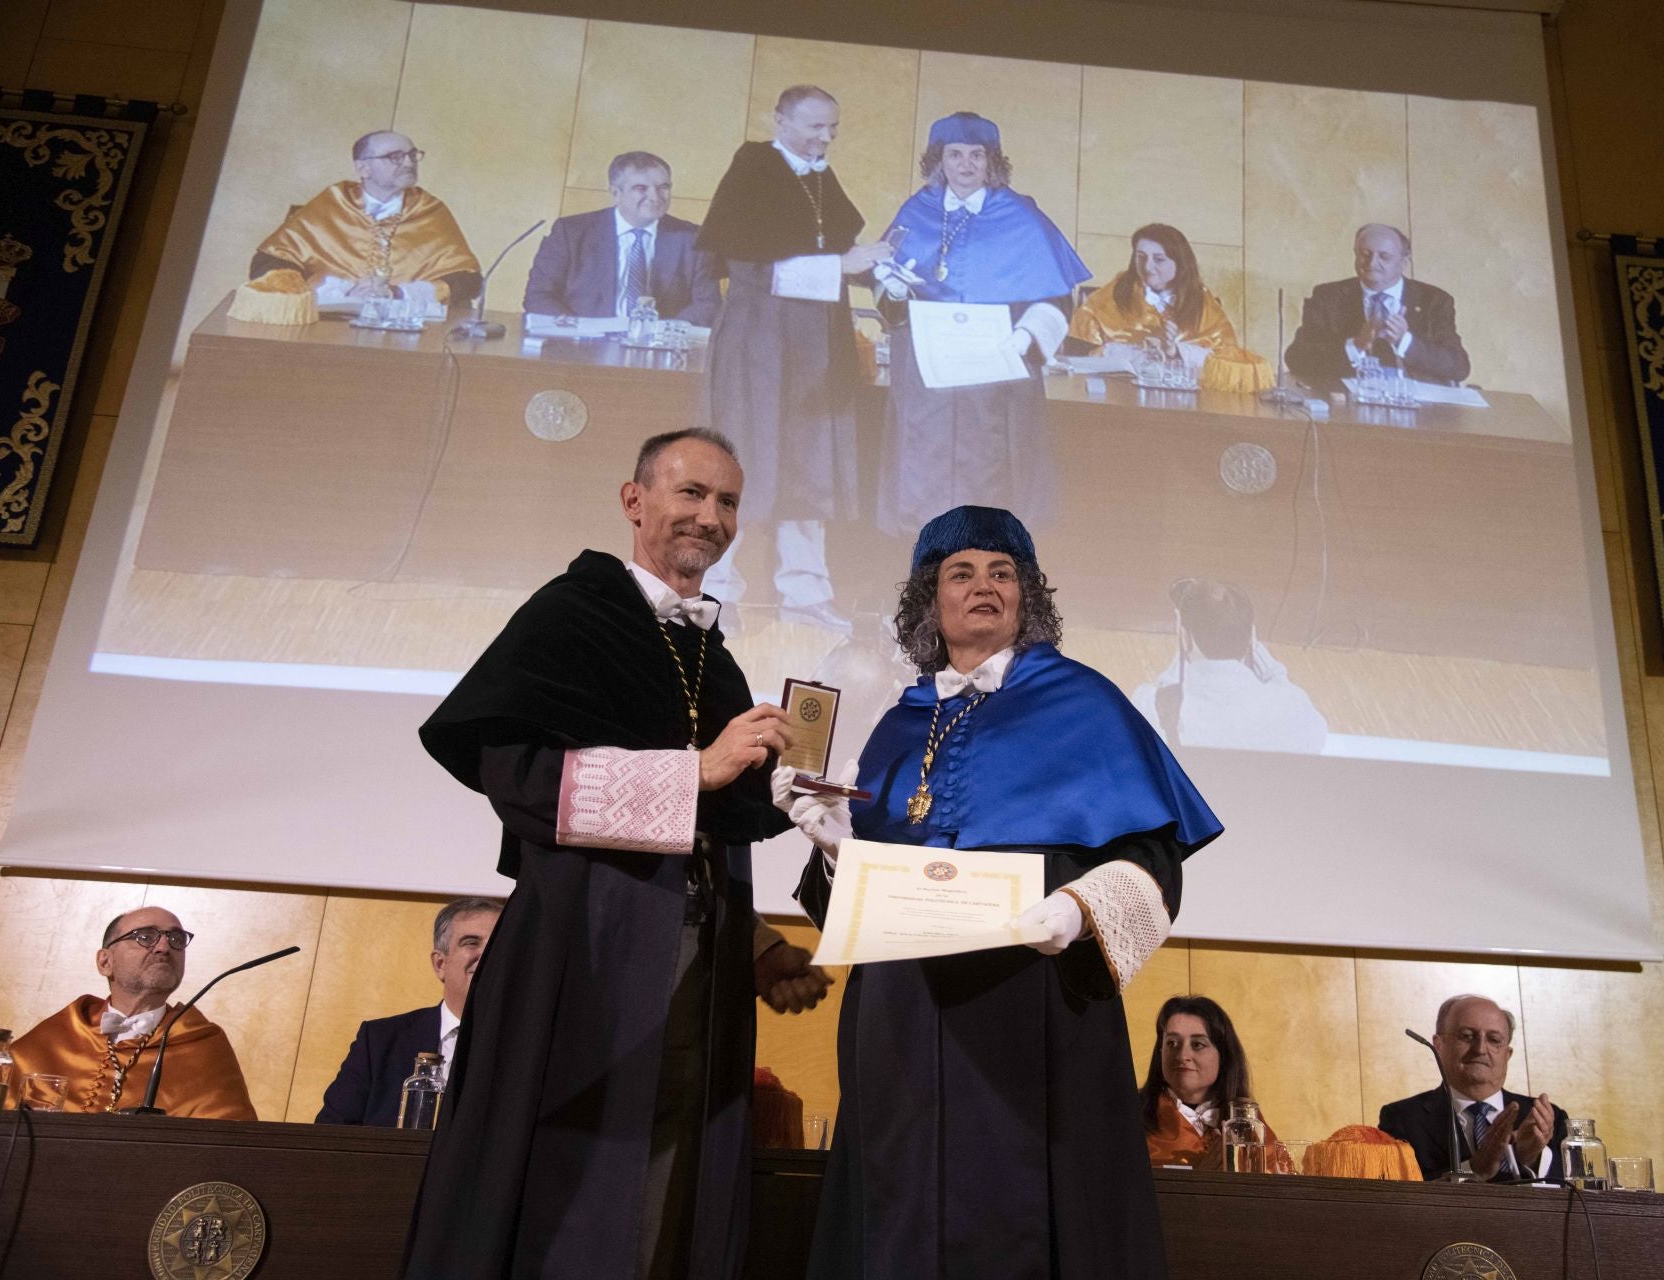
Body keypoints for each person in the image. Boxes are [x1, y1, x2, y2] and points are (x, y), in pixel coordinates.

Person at [401, 428, 834, 1280]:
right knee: (572, 1192)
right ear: (634, 501)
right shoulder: (572, 615)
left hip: (699, 973)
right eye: (691, 494)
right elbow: (513, 774)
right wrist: (696, 771)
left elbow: (715, 832)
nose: (710, 518)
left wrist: (758, 945)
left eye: (728, 502)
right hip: (582, 955)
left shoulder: (712, 654)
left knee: (670, 1198)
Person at [782, 504, 1223, 1280]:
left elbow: (1157, 855)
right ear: (930, 600)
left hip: (1036, 1001)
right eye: (961, 572)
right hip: (904, 1022)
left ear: (1028, 595)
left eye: (1002, 572)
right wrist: (832, 850)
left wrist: (1080, 909)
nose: (983, 586)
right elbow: (853, 908)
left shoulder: (1085, 701)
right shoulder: (897, 723)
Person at [696, 85, 892, 633]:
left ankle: (804, 593)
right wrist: (844, 265)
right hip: (759, 343)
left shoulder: (820, 176)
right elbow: (753, 269)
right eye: (813, 126)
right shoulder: (753, 168)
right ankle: (715, 593)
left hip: (815, 344)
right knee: (740, 464)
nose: (825, 137)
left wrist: (878, 266)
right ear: (779, 119)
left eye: (833, 127)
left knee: (812, 464)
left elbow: (841, 250)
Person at [871, 112, 1089, 538]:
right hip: (927, 378)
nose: (966, 165)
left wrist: (1024, 339)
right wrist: (893, 291)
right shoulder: (917, 211)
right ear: (940, 160)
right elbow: (886, 285)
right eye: (955, 155)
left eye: (977, 155)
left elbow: (1058, 295)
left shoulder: (1020, 216)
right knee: (924, 467)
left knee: (989, 469)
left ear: (993, 162)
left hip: (994, 376)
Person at [8, 906, 254, 1119]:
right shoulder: (56, 1036)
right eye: (145, 936)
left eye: (176, 939)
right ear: (105, 962)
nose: (164, 947)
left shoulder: (203, 1045)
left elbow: (231, 1149)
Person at [315, 897, 501, 1126]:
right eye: (471, 942)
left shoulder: (536, 1044)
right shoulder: (381, 1040)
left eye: (499, 943)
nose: (489, 954)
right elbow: (333, 1132)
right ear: (440, 964)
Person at [252, 130, 481, 312]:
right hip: (325, 325)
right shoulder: (332, 204)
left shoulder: (430, 210)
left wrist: (397, 293)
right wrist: (343, 292)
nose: (409, 163)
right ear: (363, 168)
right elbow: (270, 265)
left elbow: (465, 280)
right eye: (395, 157)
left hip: (408, 329)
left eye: (412, 155)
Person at [1377, 993, 1569, 1183]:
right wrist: (1473, 1169)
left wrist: (1530, 1158)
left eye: (1494, 1040)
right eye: (1467, 1036)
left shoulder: (1546, 1120)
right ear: (1439, 1045)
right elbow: (1399, 1199)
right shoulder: (1403, 1119)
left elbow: (1573, 1199)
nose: (1480, 1049)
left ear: (1507, 1054)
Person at [1130, 578, 1327, 754]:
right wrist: (1254, 646)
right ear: (1250, 637)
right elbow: (1281, 686)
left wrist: (1183, 640)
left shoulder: (1149, 705)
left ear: (1185, 637)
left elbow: (1167, 690)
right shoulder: (1295, 708)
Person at [522, 151, 719, 325]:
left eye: (663, 187)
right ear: (616, 193)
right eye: (641, 188)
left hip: (661, 350)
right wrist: (578, 328)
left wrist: (662, 332)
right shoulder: (571, 232)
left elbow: (707, 304)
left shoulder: (693, 239)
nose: (655, 197)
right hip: (581, 347)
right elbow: (538, 295)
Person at [1068, 224, 1272, 392]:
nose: (1147, 267)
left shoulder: (1202, 303)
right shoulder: (1112, 295)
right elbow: (1079, 353)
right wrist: (1139, 353)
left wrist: (1176, 351)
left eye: (1159, 259)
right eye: (1141, 257)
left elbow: (1224, 361)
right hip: (1118, 396)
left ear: (1180, 262)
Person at [1283, 223, 1469, 389]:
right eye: (1365, 254)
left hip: (1417, 409)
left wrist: (1405, 341)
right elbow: (1297, 358)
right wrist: (1355, 346)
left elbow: (1459, 367)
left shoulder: (1433, 300)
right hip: (1347, 408)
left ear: (1404, 262)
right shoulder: (1328, 296)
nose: (1372, 263)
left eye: (1384, 257)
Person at [1140, 994, 1290, 1172]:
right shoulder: (1126, 1117)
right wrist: (1202, 1180)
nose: (1182, 1056)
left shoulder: (1251, 1125)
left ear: (1224, 1055)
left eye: (1197, 1045)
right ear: (1160, 1052)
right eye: (1172, 1043)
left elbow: (1283, 1192)